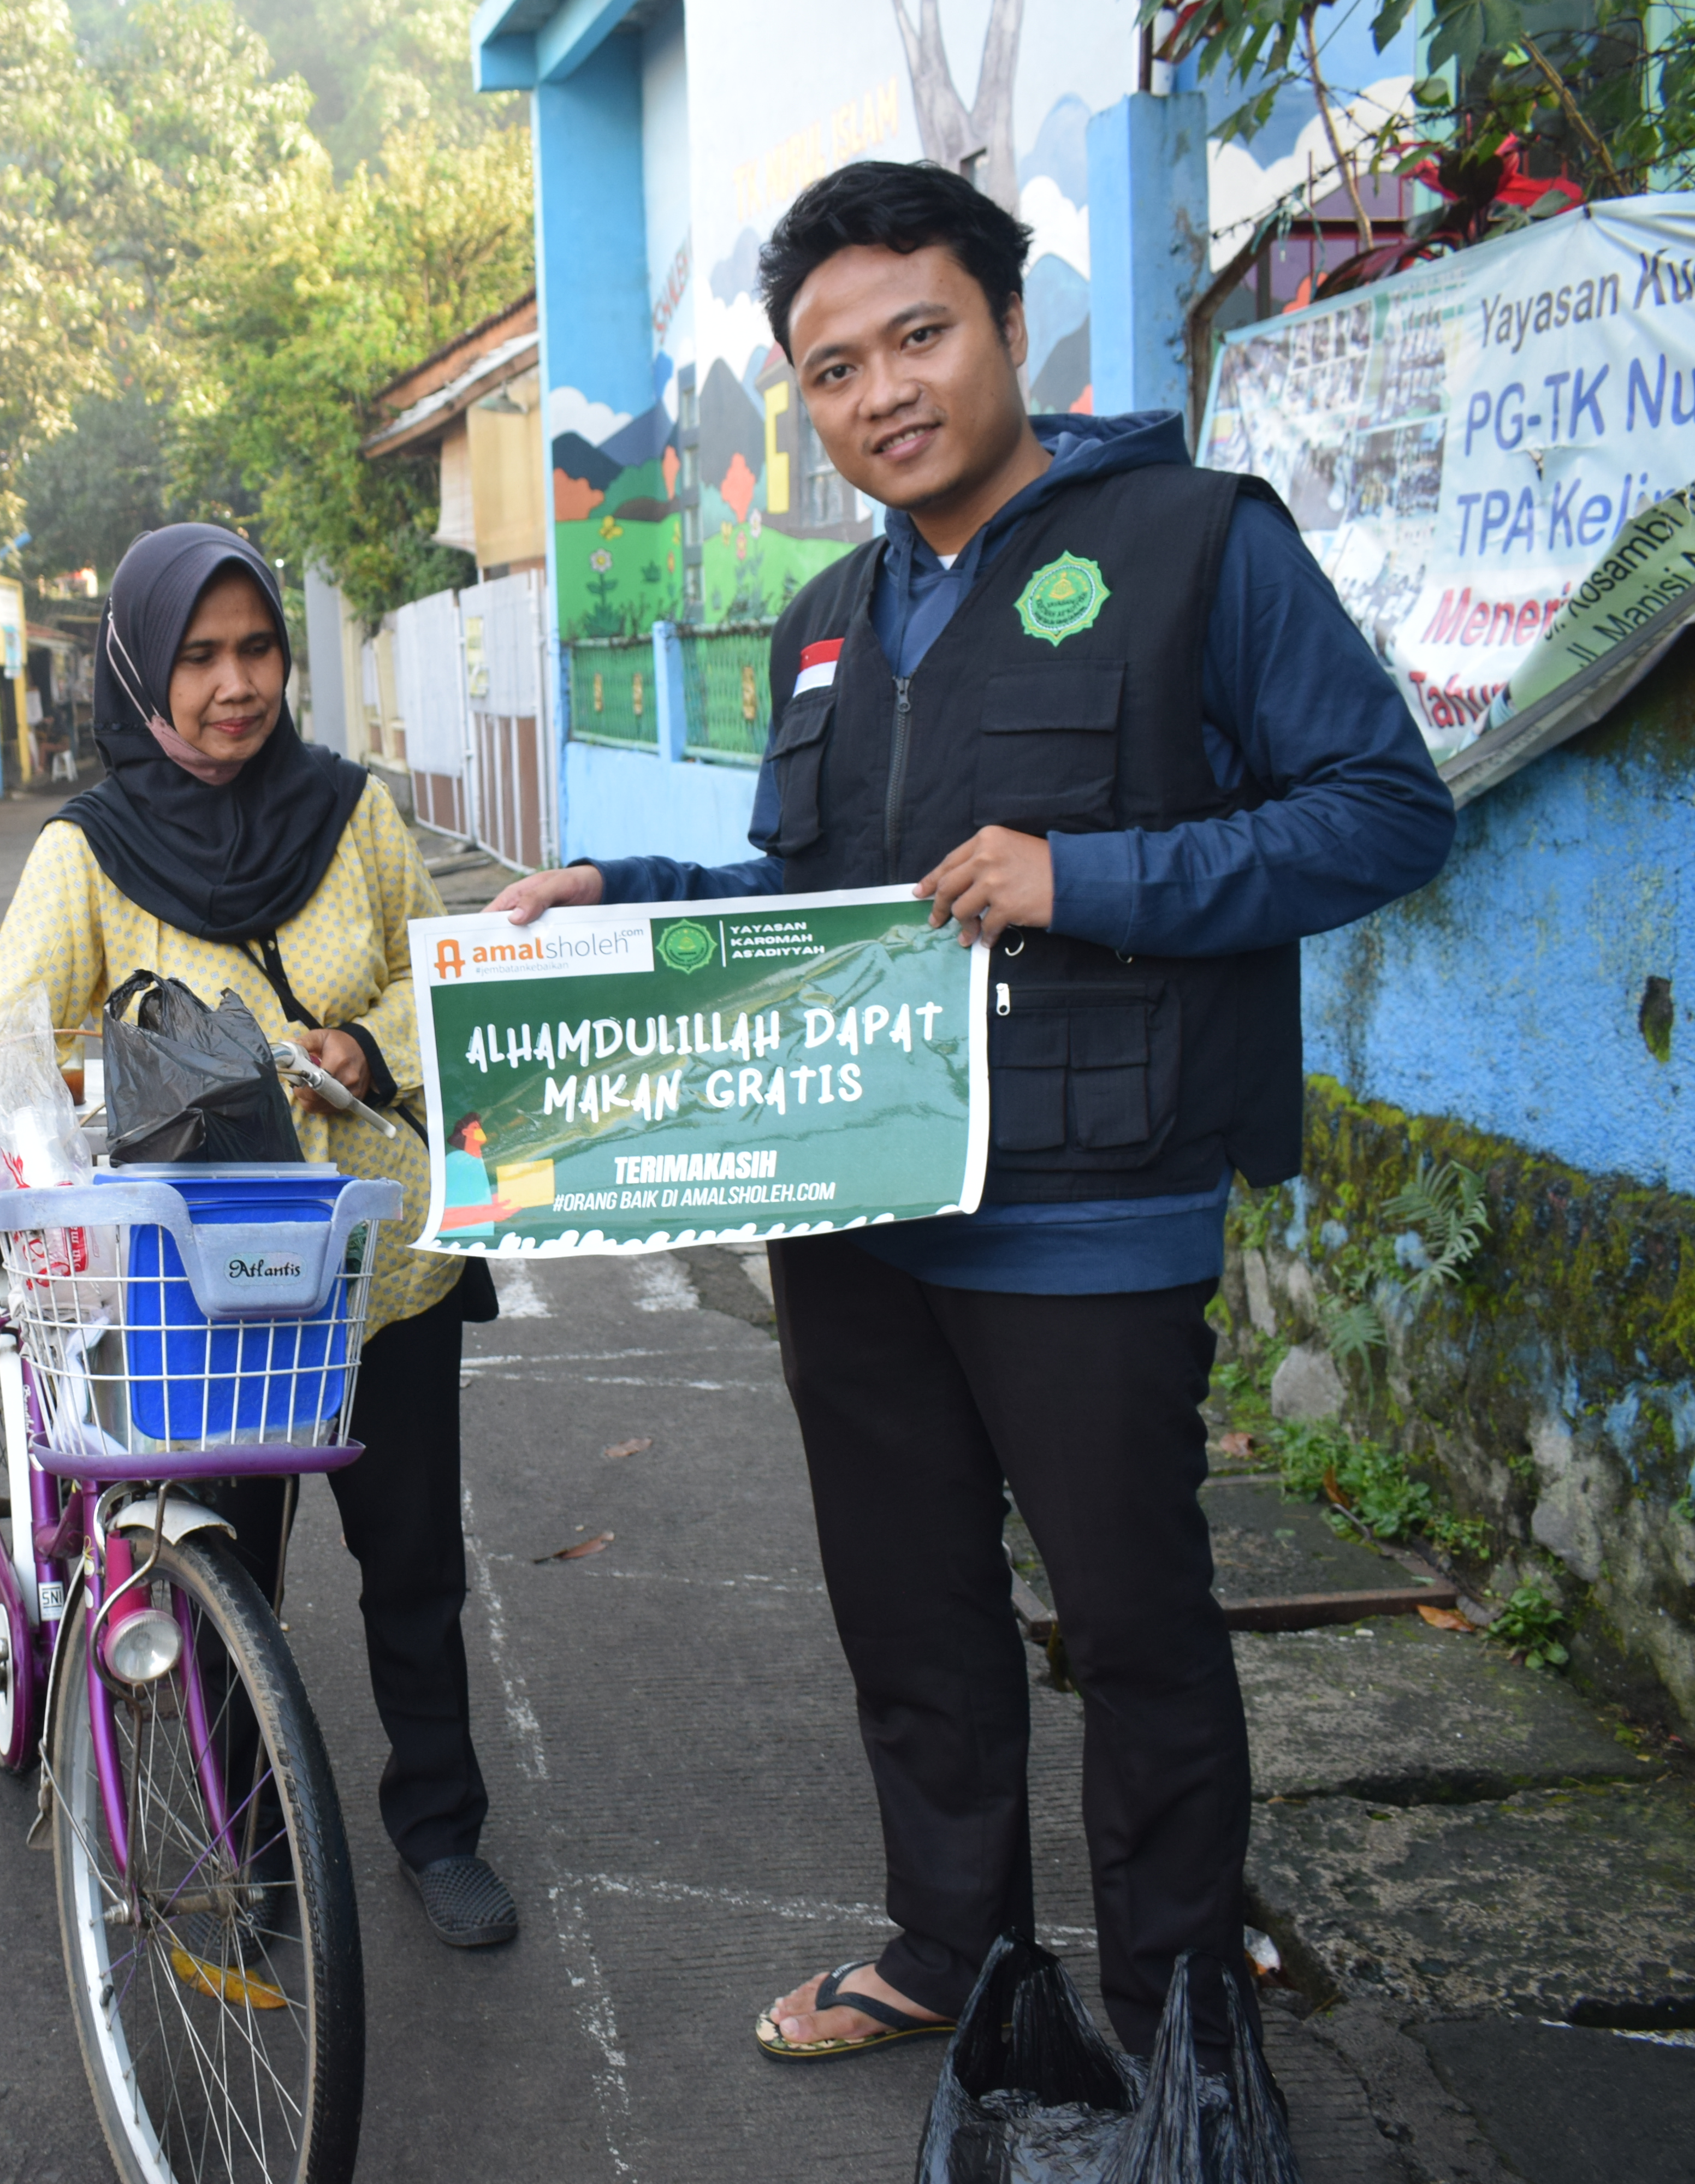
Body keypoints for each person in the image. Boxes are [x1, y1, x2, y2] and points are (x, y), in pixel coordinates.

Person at [490, 162, 1455, 2074]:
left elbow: (1383, 814)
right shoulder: (830, 615)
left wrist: (1083, 878)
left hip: (1090, 1204)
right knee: (909, 1610)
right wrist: (625, 894)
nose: (883, 393)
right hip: (858, 1199)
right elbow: (827, 904)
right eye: (834, 370)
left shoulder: (1196, 545)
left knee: (1133, 1623)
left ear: (1013, 326)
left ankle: (1177, 2019)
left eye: (918, 335)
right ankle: (949, 1948)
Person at [0, 522, 521, 1950]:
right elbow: (4, 1050)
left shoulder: (352, 813)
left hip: (381, 1265)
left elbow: (443, 977)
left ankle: (440, 1830)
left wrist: (368, 1044)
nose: (236, 685)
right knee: (230, 1578)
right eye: (200, 657)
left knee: (415, 1569)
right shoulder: (92, 852)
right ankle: (255, 1844)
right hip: (202, 1287)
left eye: (258, 650)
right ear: (141, 672)